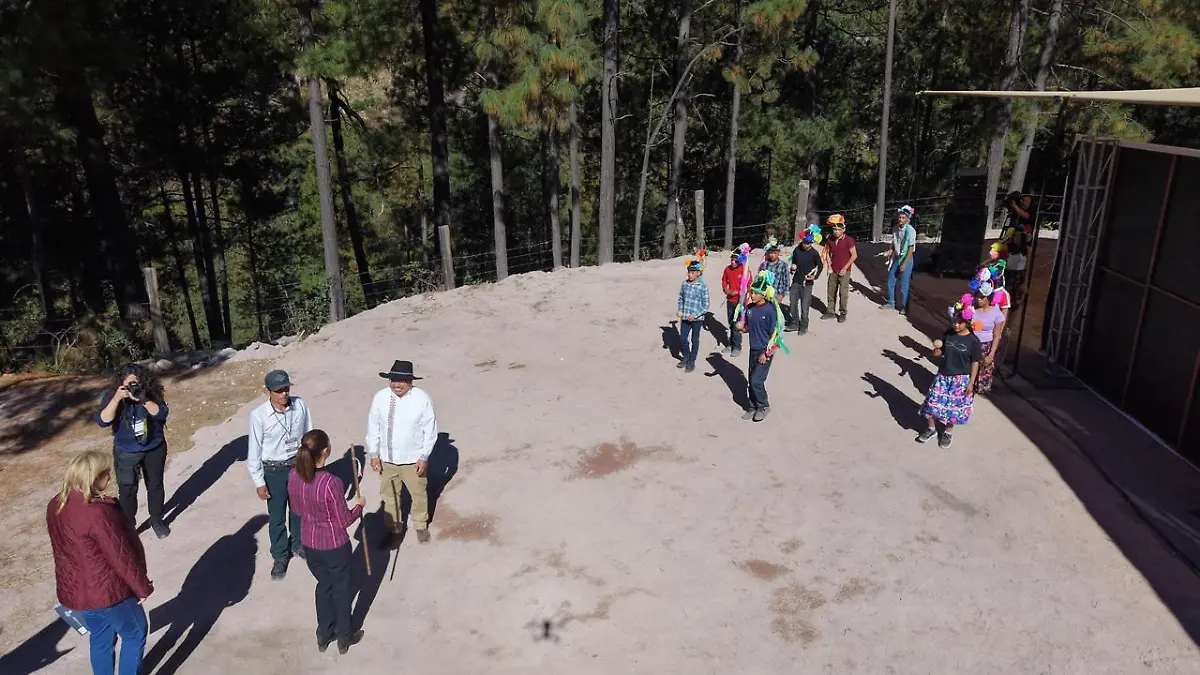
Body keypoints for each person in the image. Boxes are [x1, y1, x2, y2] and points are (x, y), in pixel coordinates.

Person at [47, 450, 154, 675]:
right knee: (135, 634)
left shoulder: (56, 505)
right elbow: (120, 556)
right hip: (109, 592)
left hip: (79, 593)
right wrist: (141, 587)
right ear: (93, 477)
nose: (110, 477)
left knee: (101, 638)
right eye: (106, 473)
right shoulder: (98, 513)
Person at [288, 429, 365, 655]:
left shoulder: (294, 476)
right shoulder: (332, 483)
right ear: (325, 451)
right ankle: (344, 636)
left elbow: (295, 509)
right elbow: (344, 520)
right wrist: (359, 505)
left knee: (324, 586)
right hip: (333, 545)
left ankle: (324, 634)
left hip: (310, 543)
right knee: (341, 591)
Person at [248, 369, 314, 580]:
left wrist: (310, 463)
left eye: (286, 389)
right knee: (276, 517)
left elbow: (308, 435)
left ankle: (298, 544)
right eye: (278, 391)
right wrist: (259, 481)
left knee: (299, 510)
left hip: (297, 466)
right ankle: (279, 555)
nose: (284, 394)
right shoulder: (258, 416)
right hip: (273, 471)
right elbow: (254, 451)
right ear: (268, 392)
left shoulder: (300, 406)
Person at [94, 363, 171, 539]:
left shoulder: (150, 393)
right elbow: (102, 421)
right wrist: (116, 399)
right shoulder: (113, 397)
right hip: (126, 451)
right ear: (120, 385)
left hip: (154, 448)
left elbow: (162, 414)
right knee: (127, 489)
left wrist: (144, 399)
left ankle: (157, 520)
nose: (132, 388)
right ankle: (128, 524)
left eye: (135, 383)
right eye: (128, 385)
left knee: (155, 485)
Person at [367, 360, 438, 547]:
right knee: (389, 496)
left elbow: (429, 431)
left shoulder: (422, 399)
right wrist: (373, 453)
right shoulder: (380, 398)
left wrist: (424, 456)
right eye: (393, 380)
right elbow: (373, 426)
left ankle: (421, 525)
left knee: (418, 494)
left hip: (413, 460)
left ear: (410, 381)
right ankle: (395, 529)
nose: (396, 385)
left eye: (401, 381)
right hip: (387, 460)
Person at [918, 307, 983, 449]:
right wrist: (937, 352)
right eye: (954, 321)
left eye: (960, 323)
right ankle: (931, 429)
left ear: (967, 323)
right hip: (943, 375)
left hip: (961, 380)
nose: (956, 325)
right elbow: (943, 352)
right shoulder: (948, 334)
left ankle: (947, 432)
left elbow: (975, 362)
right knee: (931, 404)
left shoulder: (973, 341)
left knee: (953, 410)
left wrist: (971, 383)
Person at [739, 272, 786, 422]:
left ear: (763, 295)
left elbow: (776, 337)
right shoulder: (750, 309)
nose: (752, 295)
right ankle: (752, 406)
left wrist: (766, 353)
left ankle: (764, 406)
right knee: (751, 379)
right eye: (752, 292)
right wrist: (742, 329)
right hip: (753, 349)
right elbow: (749, 328)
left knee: (756, 381)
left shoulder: (770, 311)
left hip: (764, 352)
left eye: (755, 293)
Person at [675, 259, 710, 373]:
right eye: (689, 272)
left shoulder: (703, 287)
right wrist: (680, 310)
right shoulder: (684, 284)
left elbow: (706, 305)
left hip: (697, 319)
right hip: (685, 317)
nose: (690, 274)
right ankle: (686, 356)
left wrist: (695, 315)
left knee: (695, 339)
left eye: (693, 272)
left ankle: (692, 361)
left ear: (698, 273)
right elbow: (681, 298)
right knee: (683, 338)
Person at [882, 205, 917, 315]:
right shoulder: (895, 228)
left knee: (904, 285)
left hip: (907, 258)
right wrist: (890, 250)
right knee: (891, 280)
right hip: (898, 257)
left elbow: (911, 248)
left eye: (903, 217)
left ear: (907, 219)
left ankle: (905, 306)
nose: (900, 219)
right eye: (899, 217)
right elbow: (894, 242)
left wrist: (904, 264)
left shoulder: (911, 230)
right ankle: (891, 302)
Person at [821, 214, 857, 323]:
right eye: (834, 229)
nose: (836, 232)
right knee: (831, 291)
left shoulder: (849, 240)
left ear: (843, 230)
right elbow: (827, 252)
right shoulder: (830, 240)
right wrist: (829, 265)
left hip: (844, 270)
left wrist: (845, 268)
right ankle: (830, 311)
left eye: (838, 230)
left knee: (843, 292)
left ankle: (842, 312)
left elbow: (854, 255)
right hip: (833, 269)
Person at [787, 230, 823, 334]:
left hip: (807, 284)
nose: (805, 244)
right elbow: (794, 260)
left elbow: (820, 266)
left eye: (808, 243)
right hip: (796, 281)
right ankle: (794, 323)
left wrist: (814, 277)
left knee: (804, 306)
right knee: (793, 303)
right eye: (804, 242)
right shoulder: (797, 249)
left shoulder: (814, 254)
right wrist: (793, 266)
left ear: (811, 243)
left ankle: (804, 326)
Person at [971, 290, 1007, 395]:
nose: (978, 299)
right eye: (977, 297)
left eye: (982, 297)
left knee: (983, 370)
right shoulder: (972, 309)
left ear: (988, 298)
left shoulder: (997, 314)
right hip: (972, 343)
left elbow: (996, 336)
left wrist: (991, 354)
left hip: (985, 345)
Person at [720, 251, 745, 356]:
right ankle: (731, 344)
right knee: (731, 323)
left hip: (740, 302)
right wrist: (726, 290)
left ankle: (737, 347)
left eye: (735, 260)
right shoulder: (727, 269)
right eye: (732, 259)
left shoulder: (744, 270)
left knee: (737, 325)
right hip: (730, 301)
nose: (733, 262)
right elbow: (724, 281)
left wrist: (739, 293)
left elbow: (748, 285)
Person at [759, 243, 791, 318]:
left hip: (777, 293)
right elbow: (760, 279)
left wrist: (782, 295)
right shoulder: (764, 264)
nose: (772, 255)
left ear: (778, 253)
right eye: (771, 253)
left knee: (774, 314)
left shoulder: (783, 265)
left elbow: (786, 281)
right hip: (765, 293)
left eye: (775, 253)